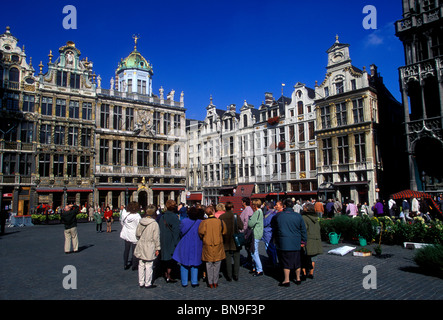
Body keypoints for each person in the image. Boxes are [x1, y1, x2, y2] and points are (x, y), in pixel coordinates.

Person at [272, 198, 307, 287]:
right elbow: (303, 230)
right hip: (296, 242)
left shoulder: (278, 216)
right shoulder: (298, 216)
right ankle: (298, 278)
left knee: (285, 261)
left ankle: (286, 280)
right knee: (297, 261)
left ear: (284, 206)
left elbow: (274, 228)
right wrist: (303, 241)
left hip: (283, 242)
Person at [172, 206, 203, 287]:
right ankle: (194, 281)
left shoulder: (184, 221)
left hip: (185, 243)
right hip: (197, 243)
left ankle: (184, 282)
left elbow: (181, 231)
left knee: (184, 263)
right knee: (195, 263)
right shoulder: (200, 222)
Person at [198, 206, 227, 288]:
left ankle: (210, 282)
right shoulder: (220, 222)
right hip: (218, 244)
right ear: (213, 211)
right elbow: (224, 232)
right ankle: (215, 281)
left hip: (208, 244)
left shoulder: (204, 222)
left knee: (209, 264)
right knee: (217, 263)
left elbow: (200, 232)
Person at [134, 204, 160, 289]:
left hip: (141, 243)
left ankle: (141, 281)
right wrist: (157, 248)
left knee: (141, 263)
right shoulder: (154, 224)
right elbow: (156, 237)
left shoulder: (141, 221)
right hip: (150, 245)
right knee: (149, 264)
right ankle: (147, 283)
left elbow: (137, 234)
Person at [219, 201, 244, 281]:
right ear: (232, 208)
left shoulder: (222, 217)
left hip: (225, 239)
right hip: (235, 240)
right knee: (236, 257)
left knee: (227, 258)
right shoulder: (236, 216)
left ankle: (229, 276)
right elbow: (241, 226)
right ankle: (235, 274)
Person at [158, 199, 180, 283]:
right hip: (171, 239)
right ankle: (169, 274)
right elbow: (176, 230)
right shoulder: (174, 217)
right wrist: (177, 241)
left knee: (164, 256)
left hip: (163, 238)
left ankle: (165, 273)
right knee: (171, 258)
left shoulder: (162, 216)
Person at [301, 203, 323, 280]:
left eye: (304, 207)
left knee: (303, 257)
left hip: (308, 239)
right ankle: (311, 273)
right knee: (313, 258)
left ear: (307, 209)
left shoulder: (304, 217)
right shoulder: (315, 217)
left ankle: (303, 273)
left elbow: (303, 229)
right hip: (316, 239)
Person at [120, 202, 141, 270]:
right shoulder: (137, 216)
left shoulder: (125, 214)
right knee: (134, 250)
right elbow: (139, 226)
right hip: (134, 234)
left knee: (126, 249)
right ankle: (134, 265)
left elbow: (122, 222)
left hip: (126, 233)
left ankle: (125, 264)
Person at [248, 199, 264, 277]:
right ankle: (256, 268)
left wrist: (249, 220)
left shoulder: (257, 212)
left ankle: (259, 269)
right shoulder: (260, 212)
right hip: (259, 233)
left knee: (254, 252)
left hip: (255, 234)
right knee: (254, 251)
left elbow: (250, 224)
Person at [262, 202, 278, 269]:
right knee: (272, 247)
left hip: (268, 233)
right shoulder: (274, 213)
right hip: (272, 232)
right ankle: (273, 261)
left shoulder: (269, 214)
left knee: (269, 248)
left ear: (268, 207)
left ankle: (273, 262)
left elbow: (265, 223)